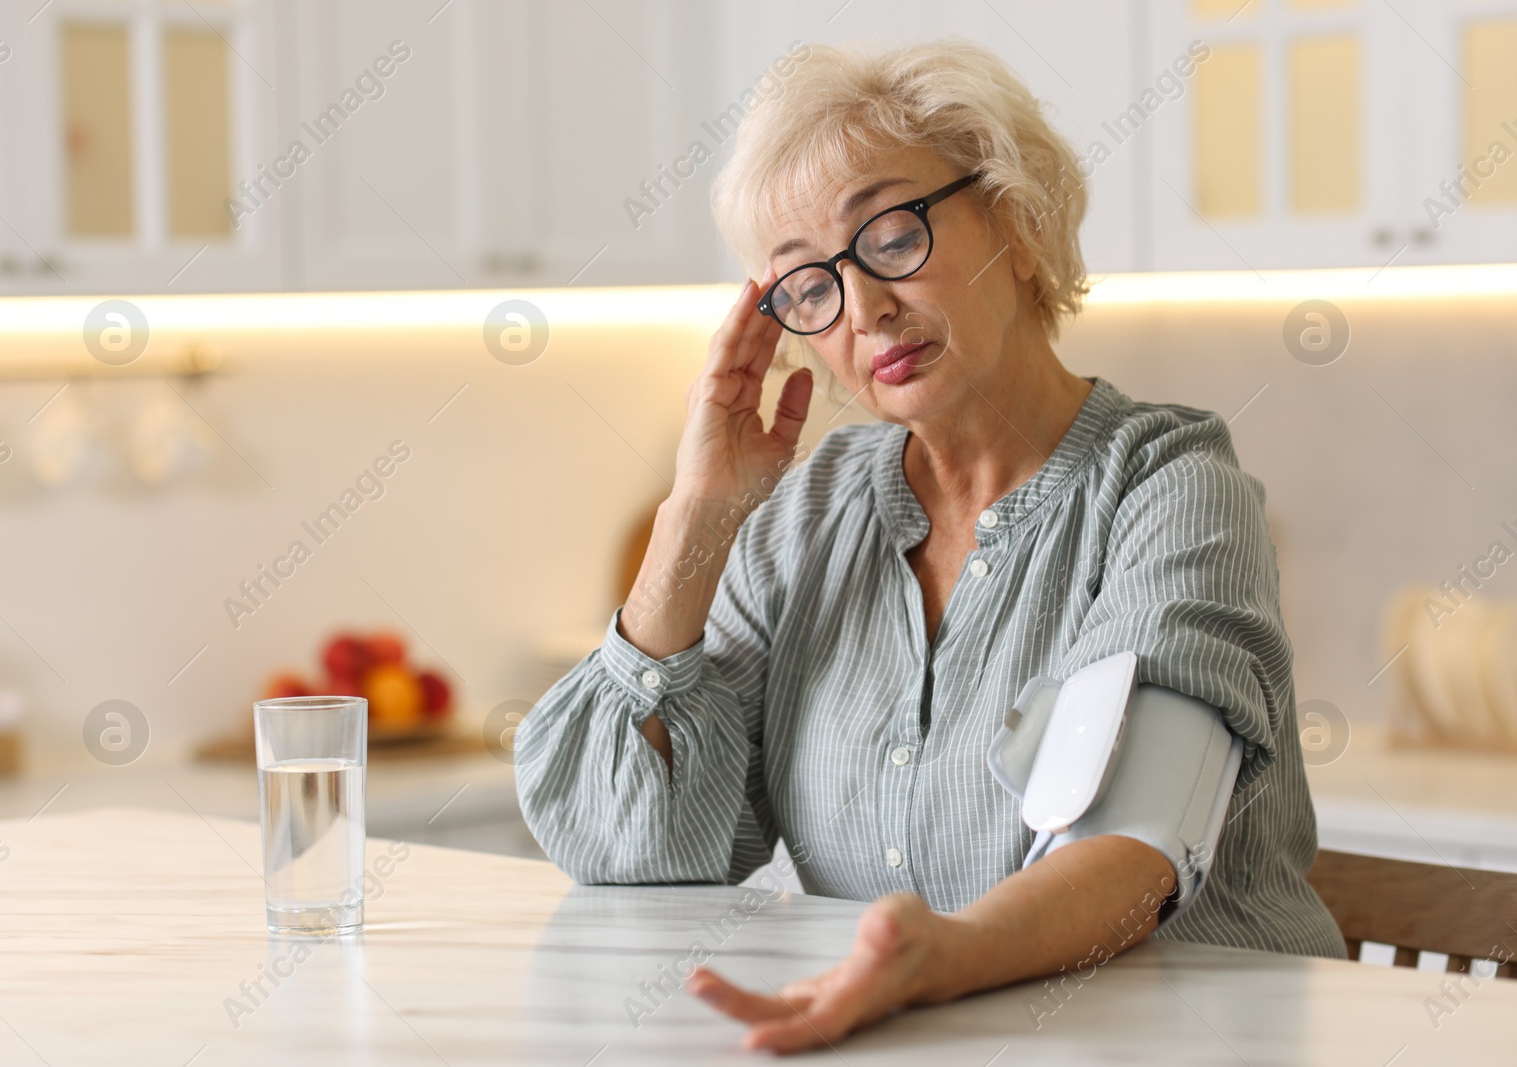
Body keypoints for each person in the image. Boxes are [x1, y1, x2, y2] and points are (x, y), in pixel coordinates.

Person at [515, 38, 1345, 1054]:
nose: (863, 307)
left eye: (892, 234)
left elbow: (1135, 841)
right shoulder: (806, 513)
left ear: (1021, 221)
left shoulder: (1168, 484)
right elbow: (631, 851)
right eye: (807, 286)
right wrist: (696, 515)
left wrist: (930, 960)